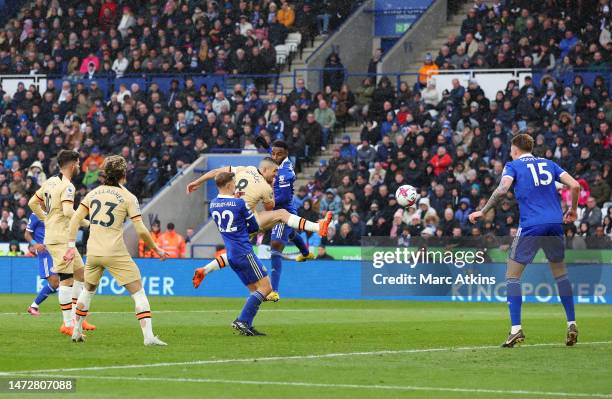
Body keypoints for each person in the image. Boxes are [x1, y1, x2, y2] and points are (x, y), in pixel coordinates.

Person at [469, 134, 581, 347]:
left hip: (531, 225)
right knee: (560, 274)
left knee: (512, 275)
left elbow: (502, 190)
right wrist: (573, 210)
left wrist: (482, 211)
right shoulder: (549, 164)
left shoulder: (513, 166)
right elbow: (575, 186)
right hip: (555, 223)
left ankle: (516, 329)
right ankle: (571, 323)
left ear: (515, 149)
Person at [64, 155, 168, 345]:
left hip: (93, 252)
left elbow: (74, 219)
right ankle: (149, 337)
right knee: (138, 292)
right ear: (123, 173)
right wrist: (156, 248)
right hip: (115, 252)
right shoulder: (128, 197)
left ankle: (76, 331)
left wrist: (71, 246)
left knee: (87, 291)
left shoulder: (93, 193)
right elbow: (141, 230)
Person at [187, 158, 332, 286]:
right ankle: (317, 227)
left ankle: (204, 270)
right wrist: (270, 191)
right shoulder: (265, 187)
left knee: (235, 253)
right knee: (281, 214)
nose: (275, 175)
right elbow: (270, 208)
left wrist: (197, 182)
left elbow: (217, 172)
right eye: (274, 172)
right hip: (246, 221)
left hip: (231, 217)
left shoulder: (244, 169)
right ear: (264, 169)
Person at [193, 172, 270, 336]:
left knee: (253, 290)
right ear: (229, 185)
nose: (235, 184)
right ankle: (242, 320)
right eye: (234, 182)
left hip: (231, 254)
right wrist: (243, 205)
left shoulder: (213, 204)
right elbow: (254, 227)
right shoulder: (239, 203)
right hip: (244, 251)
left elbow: (229, 212)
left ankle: (246, 325)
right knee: (266, 288)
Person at [28, 150, 95, 336]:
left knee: (81, 275)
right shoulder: (68, 186)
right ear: (73, 164)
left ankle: (79, 318)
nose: (80, 166)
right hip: (60, 239)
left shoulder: (50, 181)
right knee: (67, 279)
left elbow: (33, 202)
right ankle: (67, 323)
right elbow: (67, 211)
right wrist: (88, 223)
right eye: (79, 163)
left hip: (58, 237)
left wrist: (46, 218)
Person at [25, 212, 58, 316]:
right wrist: (35, 244)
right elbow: (27, 234)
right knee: (55, 283)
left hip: (57, 250)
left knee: (63, 282)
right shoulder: (35, 214)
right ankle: (76, 311)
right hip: (45, 252)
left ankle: (33, 306)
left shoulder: (55, 211)